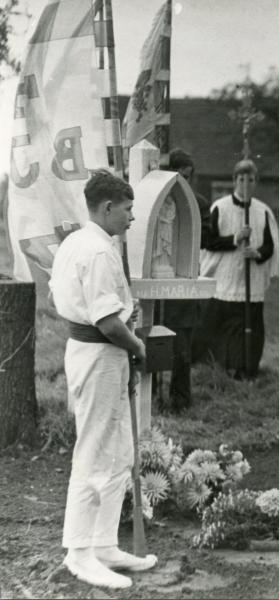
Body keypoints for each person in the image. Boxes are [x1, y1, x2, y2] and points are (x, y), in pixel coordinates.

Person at [49, 171, 157, 589]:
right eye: (128, 209)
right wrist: (138, 346)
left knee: (120, 452)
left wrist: (125, 345)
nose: (132, 217)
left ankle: (103, 543)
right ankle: (79, 552)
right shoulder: (92, 249)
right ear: (108, 208)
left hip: (104, 355)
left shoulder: (86, 242)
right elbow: (108, 321)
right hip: (97, 353)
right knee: (94, 450)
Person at [199, 159, 279, 379]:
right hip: (224, 280)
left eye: (251, 180)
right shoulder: (220, 207)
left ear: (256, 183)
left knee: (248, 330)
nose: (246, 184)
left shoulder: (262, 211)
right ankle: (217, 370)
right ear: (234, 180)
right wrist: (235, 239)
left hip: (249, 282)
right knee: (220, 329)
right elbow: (208, 241)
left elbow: (270, 246)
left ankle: (246, 370)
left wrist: (257, 253)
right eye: (241, 179)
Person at [159, 149, 212, 412]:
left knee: (181, 347)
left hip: (181, 280)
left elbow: (209, 237)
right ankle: (153, 395)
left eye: (188, 177)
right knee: (154, 340)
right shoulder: (155, 201)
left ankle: (180, 399)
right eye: (179, 175)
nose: (183, 182)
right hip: (158, 276)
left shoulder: (198, 203)